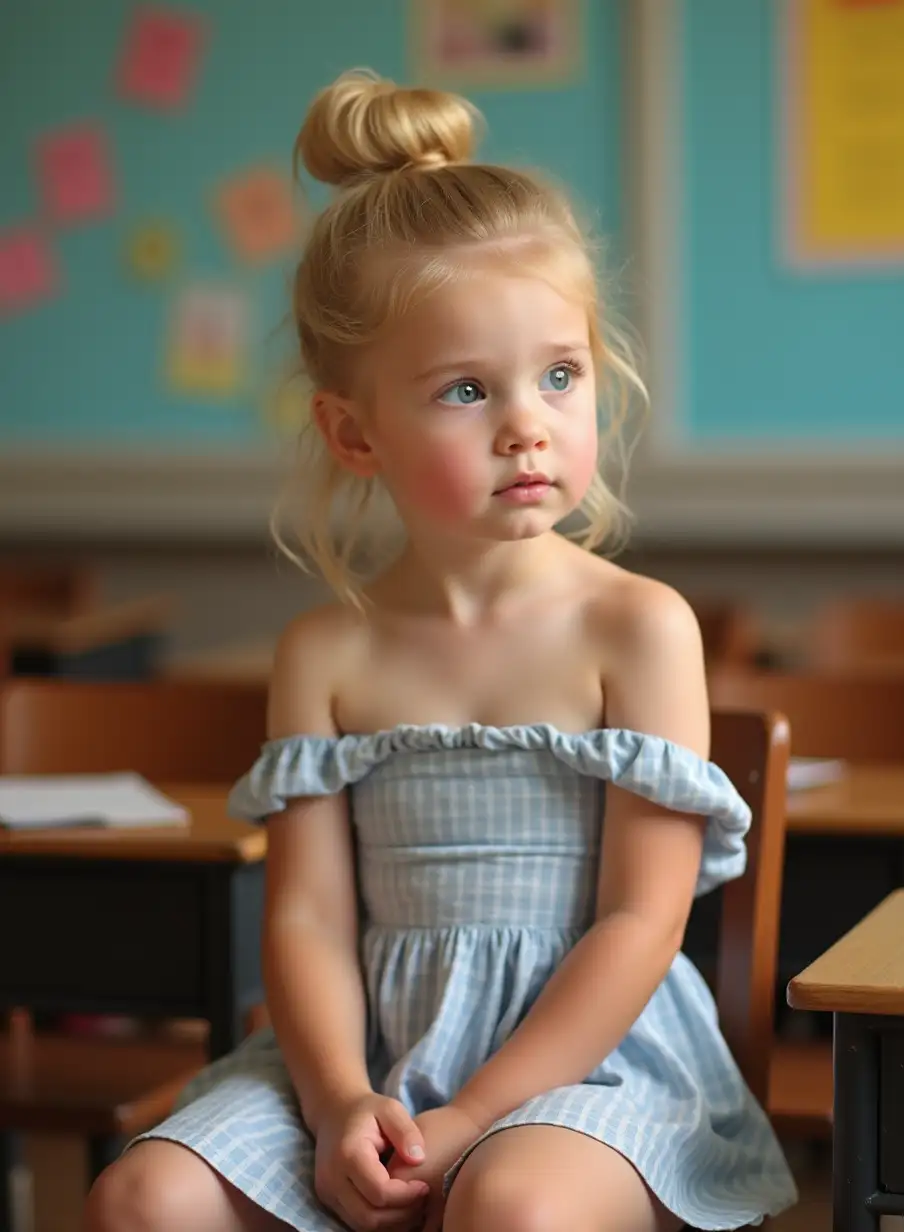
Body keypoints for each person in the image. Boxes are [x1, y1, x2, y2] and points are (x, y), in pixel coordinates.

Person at [85, 68, 797, 1232]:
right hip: (363, 1050)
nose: (529, 421)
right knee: (143, 1195)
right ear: (353, 429)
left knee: (505, 1204)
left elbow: (639, 922)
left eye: (559, 375)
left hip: (593, 1065)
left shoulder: (637, 625)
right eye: (467, 388)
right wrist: (334, 1101)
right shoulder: (325, 651)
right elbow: (308, 918)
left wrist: (469, 1117)